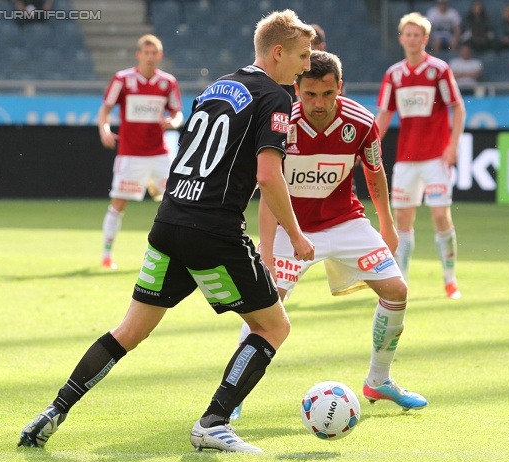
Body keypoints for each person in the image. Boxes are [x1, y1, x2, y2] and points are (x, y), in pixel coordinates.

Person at [17, 10, 316, 454]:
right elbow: (269, 176)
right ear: (278, 52)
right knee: (273, 327)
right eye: (302, 55)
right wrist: (296, 235)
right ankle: (214, 422)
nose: (307, 65)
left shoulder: (218, 86)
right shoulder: (275, 97)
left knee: (129, 331)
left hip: (170, 222)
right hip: (213, 230)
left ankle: (54, 410)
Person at [231, 50, 428, 421]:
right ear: (296, 88)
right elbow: (268, 187)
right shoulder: (278, 123)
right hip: (293, 228)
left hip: (345, 222)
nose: (318, 104)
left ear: (340, 87)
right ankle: (234, 394)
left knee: (397, 291)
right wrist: (269, 249)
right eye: (309, 95)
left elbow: (375, 173)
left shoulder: (362, 122)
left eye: (327, 94)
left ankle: (379, 380)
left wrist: (386, 225)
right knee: (265, 310)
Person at [376, 12, 466, 299]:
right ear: (401, 38)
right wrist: (369, 145)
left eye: (418, 35)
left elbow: (458, 107)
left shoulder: (438, 70)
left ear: (425, 39)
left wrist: (453, 145)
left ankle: (450, 280)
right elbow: (385, 114)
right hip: (406, 160)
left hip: (435, 158)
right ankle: (401, 283)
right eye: (408, 35)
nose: (412, 39)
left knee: (440, 216)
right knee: (402, 221)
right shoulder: (394, 74)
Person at [98, 34, 184, 270]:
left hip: (159, 154)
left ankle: (180, 254)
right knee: (118, 204)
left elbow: (178, 113)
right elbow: (104, 110)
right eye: (145, 53)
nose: (149, 57)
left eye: (153, 53)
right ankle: (107, 255)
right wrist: (104, 130)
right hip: (130, 154)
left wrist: (174, 122)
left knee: (178, 202)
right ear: (139, 55)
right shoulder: (123, 80)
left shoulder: (167, 82)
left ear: (159, 55)